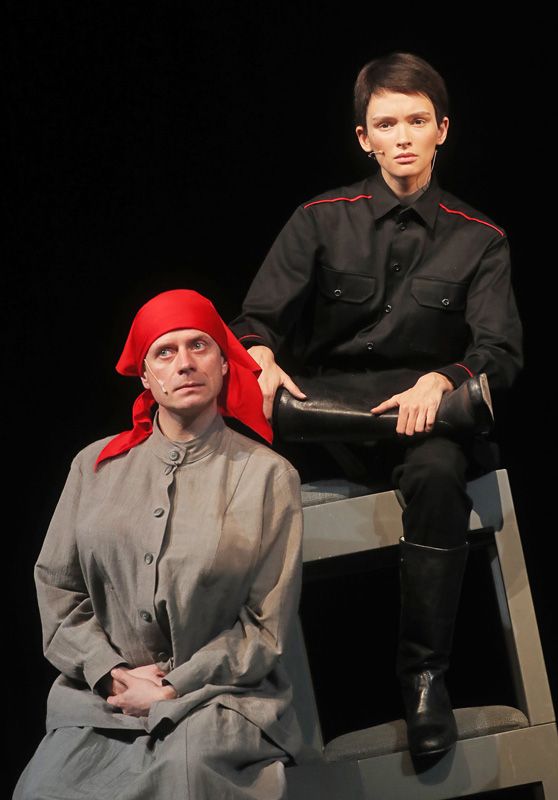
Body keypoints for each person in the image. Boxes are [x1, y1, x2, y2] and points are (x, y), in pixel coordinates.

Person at [230, 52, 522, 757]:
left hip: (420, 425)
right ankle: (243, 696)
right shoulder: (319, 219)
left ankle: (424, 679)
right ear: (364, 137)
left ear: (442, 129)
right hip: (326, 423)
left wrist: (443, 379)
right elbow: (254, 322)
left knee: (439, 473)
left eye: (416, 121)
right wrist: (259, 354)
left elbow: (500, 351)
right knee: (237, 480)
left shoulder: (480, 238)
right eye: (386, 124)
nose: (402, 137)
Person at [13, 289, 303, 800]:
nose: (185, 363)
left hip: (217, 699)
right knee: (45, 788)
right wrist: (111, 673)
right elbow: (58, 589)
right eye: (165, 352)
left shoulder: (267, 476)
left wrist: (172, 687)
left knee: (186, 781)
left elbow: (264, 626)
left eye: (199, 346)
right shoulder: (94, 467)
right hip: (101, 701)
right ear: (146, 376)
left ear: (224, 363)